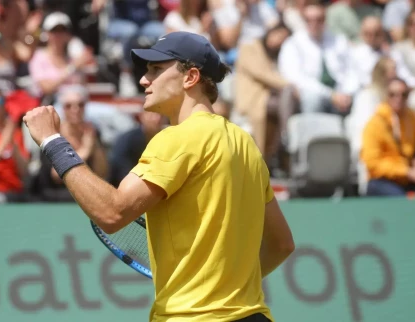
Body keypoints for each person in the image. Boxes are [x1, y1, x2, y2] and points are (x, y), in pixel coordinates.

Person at [23, 31, 294, 322]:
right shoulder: (245, 144)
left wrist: (53, 141)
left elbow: (111, 212)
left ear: (190, 77)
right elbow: (282, 245)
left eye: (155, 70)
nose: (143, 80)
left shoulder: (177, 139)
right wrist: (226, 284)